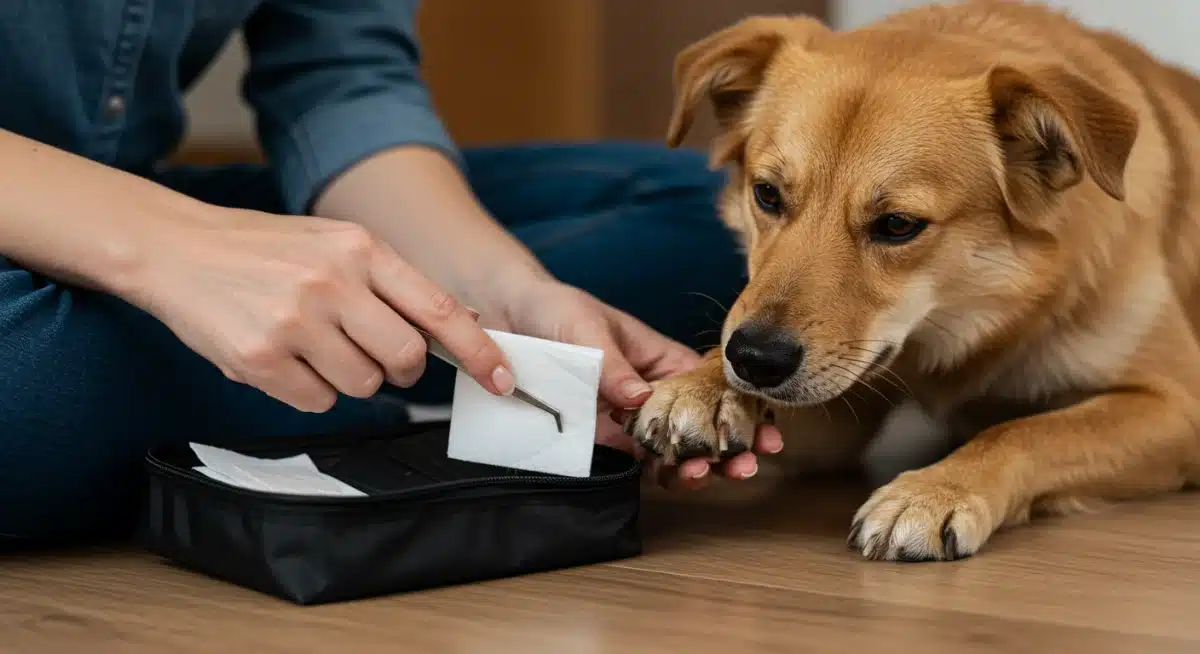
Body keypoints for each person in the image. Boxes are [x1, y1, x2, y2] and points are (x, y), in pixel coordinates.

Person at [0, 0, 781, 544]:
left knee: (692, 210)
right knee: (27, 390)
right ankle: (413, 411)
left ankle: (378, 377)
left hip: (136, 187)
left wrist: (504, 294)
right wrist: (173, 246)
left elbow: (339, 74)